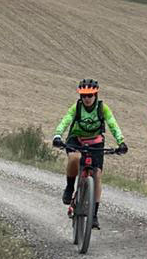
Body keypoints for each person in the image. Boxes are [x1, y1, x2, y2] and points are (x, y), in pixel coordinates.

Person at [52, 78, 128, 230]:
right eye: (84, 95)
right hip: (77, 139)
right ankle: (69, 187)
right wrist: (57, 135)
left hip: (95, 141)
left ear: (96, 95)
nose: (87, 98)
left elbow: (113, 124)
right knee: (74, 158)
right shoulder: (77, 107)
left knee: (97, 174)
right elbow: (66, 120)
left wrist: (121, 142)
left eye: (90, 95)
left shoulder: (102, 108)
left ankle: (94, 215)